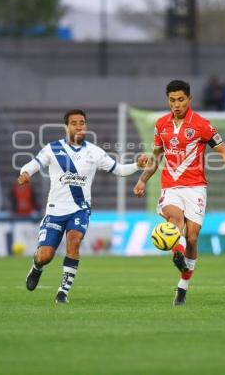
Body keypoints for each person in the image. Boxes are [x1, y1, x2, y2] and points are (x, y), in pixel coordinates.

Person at [133, 80, 225, 306]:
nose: (176, 104)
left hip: (195, 187)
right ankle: (178, 254)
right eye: (172, 100)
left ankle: (183, 285)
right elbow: (156, 157)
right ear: (168, 101)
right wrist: (142, 180)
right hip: (170, 186)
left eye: (181, 99)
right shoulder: (161, 124)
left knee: (192, 237)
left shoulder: (202, 125)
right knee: (174, 219)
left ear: (189, 99)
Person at [18, 109, 148, 304]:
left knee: (75, 240)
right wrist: (25, 173)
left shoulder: (94, 152)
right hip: (55, 211)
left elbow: (119, 170)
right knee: (45, 256)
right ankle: (37, 267)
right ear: (66, 127)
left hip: (80, 208)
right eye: (74, 123)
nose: (79, 127)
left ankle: (63, 291)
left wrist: (137, 165)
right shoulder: (52, 149)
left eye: (82, 123)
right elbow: (33, 164)